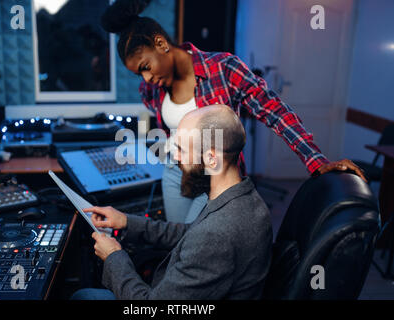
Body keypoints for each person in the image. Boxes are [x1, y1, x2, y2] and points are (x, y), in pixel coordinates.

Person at [100, 0, 367, 224]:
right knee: (177, 244)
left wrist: (316, 161)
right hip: (176, 173)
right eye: (138, 73)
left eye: (146, 66)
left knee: (197, 245)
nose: (145, 79)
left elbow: (275, 112)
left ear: (161, 43)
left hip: (217, 179)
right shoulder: (151, 91)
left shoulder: (223, 68)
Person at [71, 105, 273, 300]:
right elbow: (190, 233)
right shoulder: (241, 198)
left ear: (212, 159)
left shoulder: (217, 234)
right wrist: (126, 221)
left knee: (83, 296)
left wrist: (114, 256)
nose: (175, 157)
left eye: (182, 150)